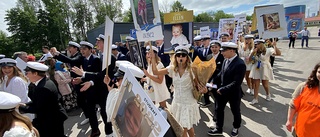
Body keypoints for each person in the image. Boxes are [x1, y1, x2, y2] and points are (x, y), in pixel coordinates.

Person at [151, 45, 207, 137]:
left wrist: (204, 90)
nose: (181, 57)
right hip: (177, 102)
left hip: (188, 103)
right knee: (187, 126)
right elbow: (155, 72)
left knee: (182, 129)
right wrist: (153, 59)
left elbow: (199, 86)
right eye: (178, 55)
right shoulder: (172, 69)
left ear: (187, 57)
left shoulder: (192, 70)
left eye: (183, 55)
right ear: (175, 57)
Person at [207, 42, 246, 137]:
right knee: (219, 109)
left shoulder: (240, 64)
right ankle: (219, 128)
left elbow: (237, 82)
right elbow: (222, 73)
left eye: (224, 51)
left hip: (233, 93)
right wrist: (213, 81)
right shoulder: (226, 59)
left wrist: (223, 89)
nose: (222, 53)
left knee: (235, 111)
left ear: (232, 51)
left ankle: (236, 127)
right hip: (222, 91)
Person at [19, 62, 67, 137]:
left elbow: (38, 108)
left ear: (35, 73)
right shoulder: (45, 82)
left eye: (27, 72)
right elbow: (38, 101)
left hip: (51, 120)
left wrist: (20, 107)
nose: (26, 75)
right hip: (52, 117)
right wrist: (26, 104)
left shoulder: (42, 88)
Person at [286, 63, 320, 137]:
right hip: (301, 131)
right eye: (319, 72)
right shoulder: (304, 87)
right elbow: (293, 105)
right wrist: (289, 120)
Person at [249, 39, 281, 105]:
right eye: (255, 44)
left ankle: (268, 94)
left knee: (265, 84)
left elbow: (278, 54)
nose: (255, 45)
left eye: (257, 44)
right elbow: (249, 59)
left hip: (265, 68)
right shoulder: (254, 50)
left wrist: (274, 46)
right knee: (255, 84)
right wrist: (253, 53)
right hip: (256, 67)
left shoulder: (268, 50)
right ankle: (255, 98)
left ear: (261, 44)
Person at [202, 40, 225, 108]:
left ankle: (217, 109)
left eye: (216, 47)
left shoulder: (222, 57)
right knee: (205, 90)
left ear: (219, 48)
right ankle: (207, 102)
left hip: (217, 79)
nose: (214, 49)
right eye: (212, 47)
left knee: (216, 95)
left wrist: (214, 79)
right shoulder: (208, 56)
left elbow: (222, 70)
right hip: (208, 78)